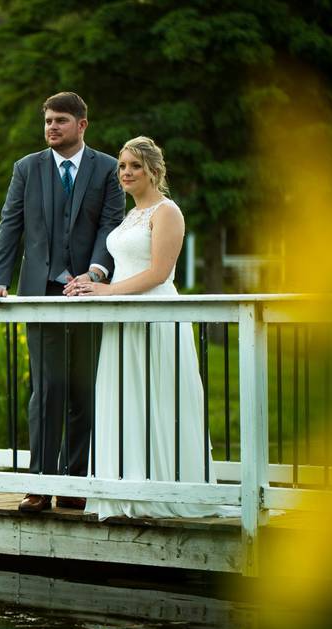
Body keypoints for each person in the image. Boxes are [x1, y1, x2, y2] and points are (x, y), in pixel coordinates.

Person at [65, 136, 234, 519]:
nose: (126, 173)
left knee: (158, 398)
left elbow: (158, 273)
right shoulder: (130, 216)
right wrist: (90, 282)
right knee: (125, 398)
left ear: (154, 170)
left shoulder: (167, 211)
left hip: (156, 315)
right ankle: (124, 486)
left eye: (135, 166)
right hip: (121, 318)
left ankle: (166, 487)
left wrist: (104, 292)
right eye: (122, 166)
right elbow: (121, 263)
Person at [0, 92, 124, 512]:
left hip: (88, 295)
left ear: (82, 125)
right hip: (39, 293)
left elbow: (110, 226)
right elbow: (11, 225)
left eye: (60, 120)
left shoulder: (108, 169)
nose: (51, 127)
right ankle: (39, 483)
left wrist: (96, 273)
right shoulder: (27, 168)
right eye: (47, 121)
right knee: (47, 388)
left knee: (82, 389)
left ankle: (74, 483)